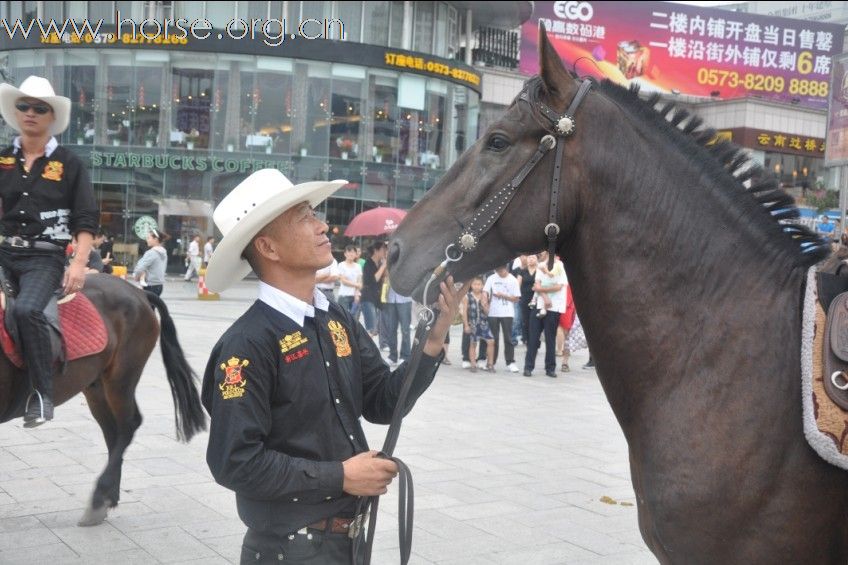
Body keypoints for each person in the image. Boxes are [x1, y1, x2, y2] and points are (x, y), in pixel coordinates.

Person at [200, 169, 466, 564]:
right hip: (290, 550)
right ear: (268, 248)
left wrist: (430, 343)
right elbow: (234, 461)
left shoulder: (335, 318)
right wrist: (340, 476)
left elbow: (381, 402)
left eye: (314, 214)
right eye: (304, 217)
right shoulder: (247, 344)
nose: (322, 225)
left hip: (348, 544)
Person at [0, 75, 98, 425]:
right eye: (23, 106)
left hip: (44, 258)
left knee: (27, 310)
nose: (30, 113)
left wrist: (78, 263)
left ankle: (41, 394)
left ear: (51, 116)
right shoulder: (3, 160)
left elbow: (86, 219)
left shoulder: (70, 164)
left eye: (39, 108)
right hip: (4, 252)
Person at [524, 252, 567, 378]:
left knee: (550, 338)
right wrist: (545, 297)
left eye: (541, 253)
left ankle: (550, 368)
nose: (539, 255)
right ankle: (528, 367)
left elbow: (559, 286)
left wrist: (541, 291)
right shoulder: (540, 266)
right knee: (533, 338)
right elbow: (537, 284)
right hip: (539, 305)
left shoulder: (559, 266)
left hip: (554, 307)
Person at [483, 265, 521, 372]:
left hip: (507, 312)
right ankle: (491, 361)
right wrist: (485, 303)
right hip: (493, 312)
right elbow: (485, 291)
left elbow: (516, 298)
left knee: (508, 338)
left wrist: (503, 296)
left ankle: (510, 362)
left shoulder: (512, 280)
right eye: (497, 271)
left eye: (501, 271)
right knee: (493, 338)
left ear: (506, 269)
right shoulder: (491, 278)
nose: (499, 273)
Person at [461, 276, 495, 373]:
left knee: (491, 341)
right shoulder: (467, 296)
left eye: (479, 284)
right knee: (473, 344)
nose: (477, 286)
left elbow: (488, 312)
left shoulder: (485, 296)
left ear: (483, 285)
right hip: (473, 324)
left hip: (484, 324)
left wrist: (485, 305)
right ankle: (473, 364)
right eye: (475, 284)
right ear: (471, 285)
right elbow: (464, 312)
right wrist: (466, 325)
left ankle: (490, 364)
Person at [361, 241, 387, 338]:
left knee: (374, 329)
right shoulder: (368, 263)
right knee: (371, 329)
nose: (385, 251)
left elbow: (382, 279)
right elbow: (374, 279)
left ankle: (368, 349)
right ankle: (366, 351)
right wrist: (384, 266)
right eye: (383, 249)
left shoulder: (379, 263)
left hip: (376, 298)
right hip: (367, 298)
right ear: (376, 251)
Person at [383, 281, 412, 368]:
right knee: (391, 328)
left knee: (405, 329)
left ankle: (405, 356)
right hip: (390, 298)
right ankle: (392, 356)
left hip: (405, 299)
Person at [133, 228, 168, 296]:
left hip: (149, 286)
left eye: (149, 238)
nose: (147, 240)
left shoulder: (151, 253)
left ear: (155, 239)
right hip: (159, 285)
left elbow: (140, 268)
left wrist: (136, 277)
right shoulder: (164, 252)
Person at [336, 245, 362, 318]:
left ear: (356, 254)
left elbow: (359, 282)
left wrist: (357, 294)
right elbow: (343, 281)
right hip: (344, 295)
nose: (351, 254)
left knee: (355, 319)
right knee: (343, 318)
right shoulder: (341, 265)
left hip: (355, 296)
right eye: (349, 252)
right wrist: (356, 284)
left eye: (353, 252)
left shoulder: (358, 266)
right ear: (345, 254)